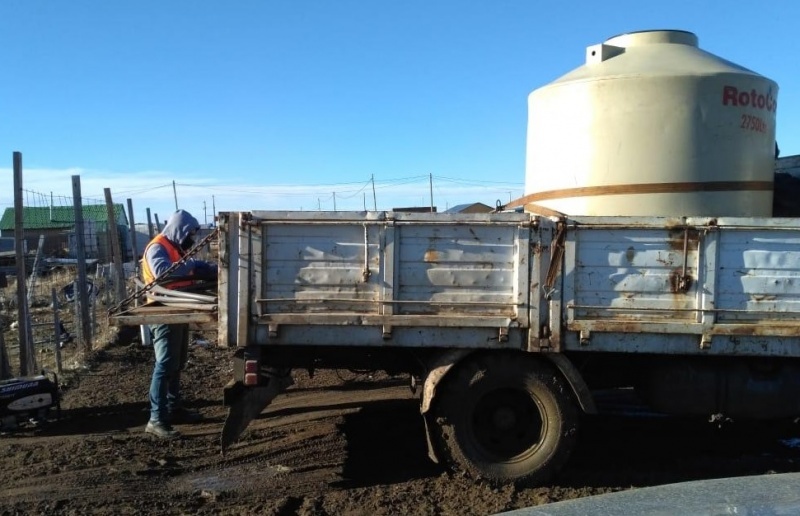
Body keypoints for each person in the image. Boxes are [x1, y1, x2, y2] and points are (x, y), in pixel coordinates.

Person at [141, 209, 217, 439]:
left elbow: (191, 265)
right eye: (189, 235)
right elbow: (164, 273)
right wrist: (192, 267)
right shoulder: (158, 247)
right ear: (180, 230)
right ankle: (156, 420)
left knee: (177, 361)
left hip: (178, 309)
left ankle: (174, 408)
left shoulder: (174, 247)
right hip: (163, 311)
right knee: (164, 364)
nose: (191, 240)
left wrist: (217, 270)